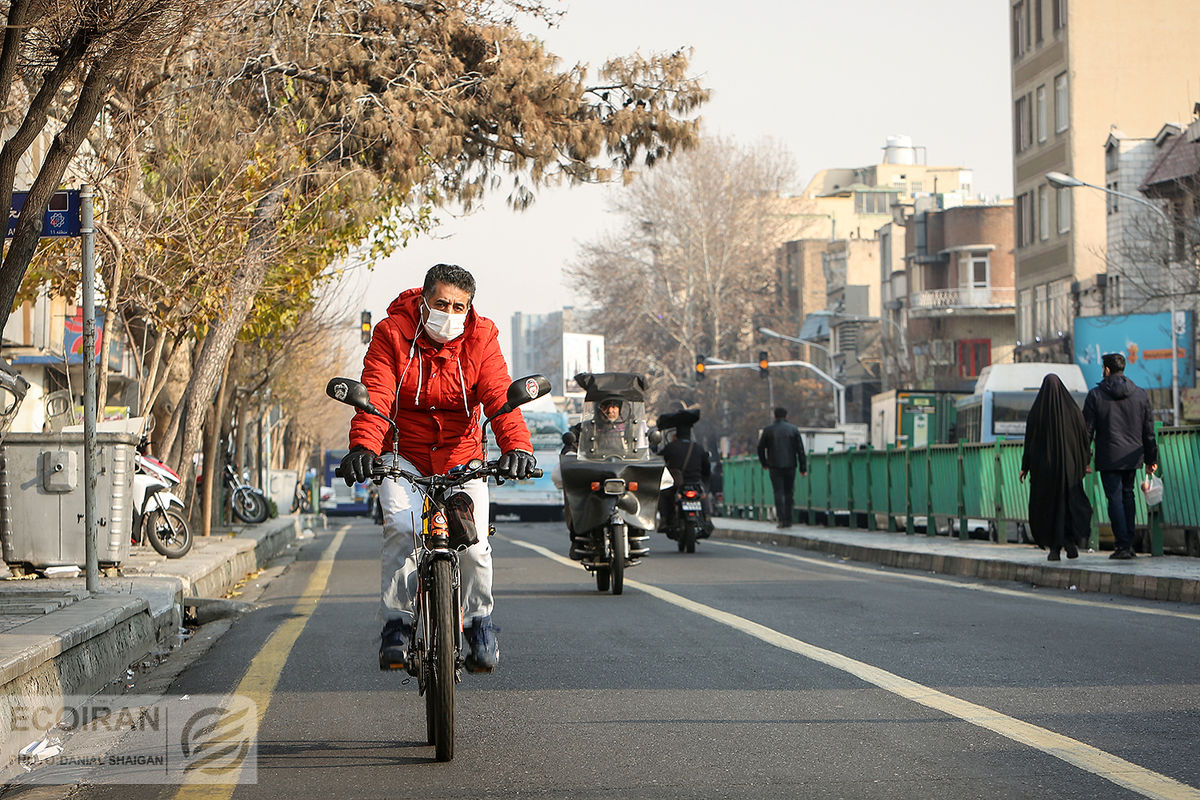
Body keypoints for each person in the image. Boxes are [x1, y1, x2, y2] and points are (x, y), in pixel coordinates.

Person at [339, 263, 536, 673]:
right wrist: (363, 446)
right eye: (442, 303)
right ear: (424, 302)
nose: (451, 313)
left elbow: (499, 398)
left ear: (470, 307)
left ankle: (479, 624)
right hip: (402, 454)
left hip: (462, 456)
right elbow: (375, 394)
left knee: (475, 543)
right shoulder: (391, 333)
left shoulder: (482, 337)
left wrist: (517, 446)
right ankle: (397, 623)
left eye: (460, 306)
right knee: (402, 527)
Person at [1082, 352, 1158, 560]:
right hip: (1132, 458)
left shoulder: (1095, 395)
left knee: (1114, 498)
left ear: (1106, 369)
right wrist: (1152, 460)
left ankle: (1123, 545)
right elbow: (1148, 431)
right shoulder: (1140, 395)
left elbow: (1087, 432)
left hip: (1108, 456)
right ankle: (1128, 544)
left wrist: (1084, 459)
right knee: (1128, 495)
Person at [1018, 374, 1093, 561]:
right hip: (1070, 471)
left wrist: (1025, 466)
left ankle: (1054, 548)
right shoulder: (1073, 412)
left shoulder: (1037, 412)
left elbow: (1030, 443)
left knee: (1049, 507)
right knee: (1068, 504)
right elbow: (1084, 439)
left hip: (1045, 473)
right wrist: (1085, 462)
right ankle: (1070, 542)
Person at [657, 422, 713, 534]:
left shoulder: (671, 447)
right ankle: (707, 518)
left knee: (663, 494)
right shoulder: (698, 448)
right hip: (695, 482)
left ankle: (664, 520)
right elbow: (706, 468)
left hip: (676, 484)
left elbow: (661, 460)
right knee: (704, 495)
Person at [757, 407, 807, 528]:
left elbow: (760, 448)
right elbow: (800, 450)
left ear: (774, 416)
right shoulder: (793, 430)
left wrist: (764, 463)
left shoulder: (768, 430)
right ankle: (789, 520)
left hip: (774, 466)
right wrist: (803, 468)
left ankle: (781, 518)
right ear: (786, 416)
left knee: (778, 492)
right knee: (789, 492)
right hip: (790, 465)